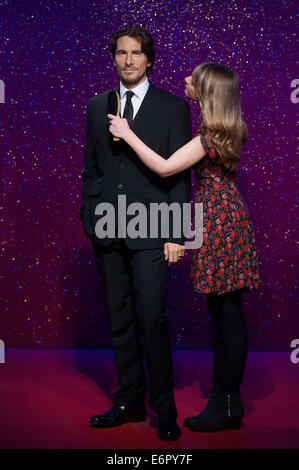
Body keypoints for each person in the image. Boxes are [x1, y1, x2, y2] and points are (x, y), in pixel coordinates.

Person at [108, 62, 261, 432]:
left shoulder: (210, 137)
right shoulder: (227, 130)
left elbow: (164, 168)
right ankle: (225, 401)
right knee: (226, 312)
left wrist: (128, 134)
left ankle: (226, 402)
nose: (187, 82)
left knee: (226, 314)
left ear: (207, 92)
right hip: (228, 217)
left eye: (194, 80)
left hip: (219, 222)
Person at [80, 26, 192, 440]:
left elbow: (181, 175)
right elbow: (92, 166)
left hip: (153, 230)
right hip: (107, 229)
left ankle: (164, 410)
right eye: (122, 54)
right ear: (114, 58)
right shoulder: (96, 107)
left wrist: (178, 233)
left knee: (153, 319)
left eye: (136, 53)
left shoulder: (173, 107)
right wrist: (88, 216)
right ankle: (127, 400)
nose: (128, 60)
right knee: (120, 319)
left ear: (149, 59)